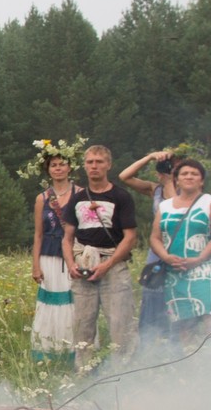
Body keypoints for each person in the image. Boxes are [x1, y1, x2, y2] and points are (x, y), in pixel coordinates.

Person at [61, 145, 140, 370]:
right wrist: (71, 263)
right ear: (84, 166)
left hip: (113, 264)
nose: (94, 166)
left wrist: (108, 264)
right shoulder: (77, 199)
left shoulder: (120, 196)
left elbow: (130, 236)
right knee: (82, 325)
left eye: (99, 162)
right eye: (90, 162)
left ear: (108, 165)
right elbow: (67, 237)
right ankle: (83, 372)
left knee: (120, 323)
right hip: (83, 262)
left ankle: (122, 373)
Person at [149, 158, 211, 345]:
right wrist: (166, 257)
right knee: (184, 323)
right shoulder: (165, 206)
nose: (189, 176)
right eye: (184, 173)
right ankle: (190, 362)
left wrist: (199, 258)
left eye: (194, 174)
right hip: (175, 273)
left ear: (201, 180)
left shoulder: (210, 202)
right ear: (176, 180)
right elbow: (155, 238)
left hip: (205, 270)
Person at [119, 149, 178, 356]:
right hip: (157, 249)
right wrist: (150, 157)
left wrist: (170, 179)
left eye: (171, 168)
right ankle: (150, 343)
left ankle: (174, 344)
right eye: (162, 170)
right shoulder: (155, 189)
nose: (165, 172)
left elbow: (173, 206)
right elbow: (124, 176)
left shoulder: (186, 192)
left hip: (178, 249)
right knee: (153, 294)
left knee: (175, 296)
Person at [29, 147, 78, 366]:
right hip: (49, 255)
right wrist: (35, 265)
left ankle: (73, 350)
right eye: (54, 165)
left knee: (73, 302)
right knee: (49, 303)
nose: (58, 168)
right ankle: (47, 351)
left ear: (70, 167)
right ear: (48, 170)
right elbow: (38, 233)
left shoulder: (81, 193)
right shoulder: (42, 198)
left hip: (74, 254)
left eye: (62, 164)